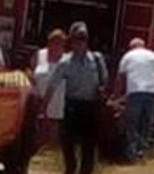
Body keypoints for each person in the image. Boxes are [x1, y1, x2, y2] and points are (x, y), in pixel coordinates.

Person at [46, 22, 108, 174]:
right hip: (72, 106)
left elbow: (104, 80)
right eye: (77, 39)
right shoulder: (65, 62)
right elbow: (52, 86)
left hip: (90, 107)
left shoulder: (97, 59)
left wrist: (102, 91)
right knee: (67, 142)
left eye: (83, 39)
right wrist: (43, 107)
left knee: (89, 147)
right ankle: (70, 168)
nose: (80, 43)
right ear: (71, 42)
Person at [114, 38, 154, 163]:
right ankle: (142, 152)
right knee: (146, 123)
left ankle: (132, 154)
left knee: (133, 124)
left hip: (134, 93)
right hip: (151, 93)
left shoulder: (127, 57)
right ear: (144, 46)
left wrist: (115, 96)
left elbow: (120, 78)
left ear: (131, 47)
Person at [33, 29, 67, 148]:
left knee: (53, 132)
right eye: (54, 41)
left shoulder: (66, 60)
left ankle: (51, 151)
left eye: (60, 42)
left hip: (57, 103)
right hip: (38, 99)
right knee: (37, 130)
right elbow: (32, 72)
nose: (56, 45)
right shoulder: (40, 54)